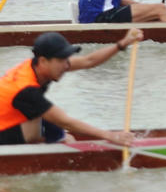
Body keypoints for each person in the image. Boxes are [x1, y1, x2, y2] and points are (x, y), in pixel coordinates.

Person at [0, 30, 143, 147]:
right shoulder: (26, 89)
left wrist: (122, 44)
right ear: (43, 61)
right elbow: (65, 121)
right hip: (4, 131)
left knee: (59, 132)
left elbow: (89, 61)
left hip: (12, 116)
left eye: (66, 59)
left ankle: (54, 140)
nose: (66, 66)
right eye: (61, 60)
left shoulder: (37, 66)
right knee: (54, 128)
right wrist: (110, 136)